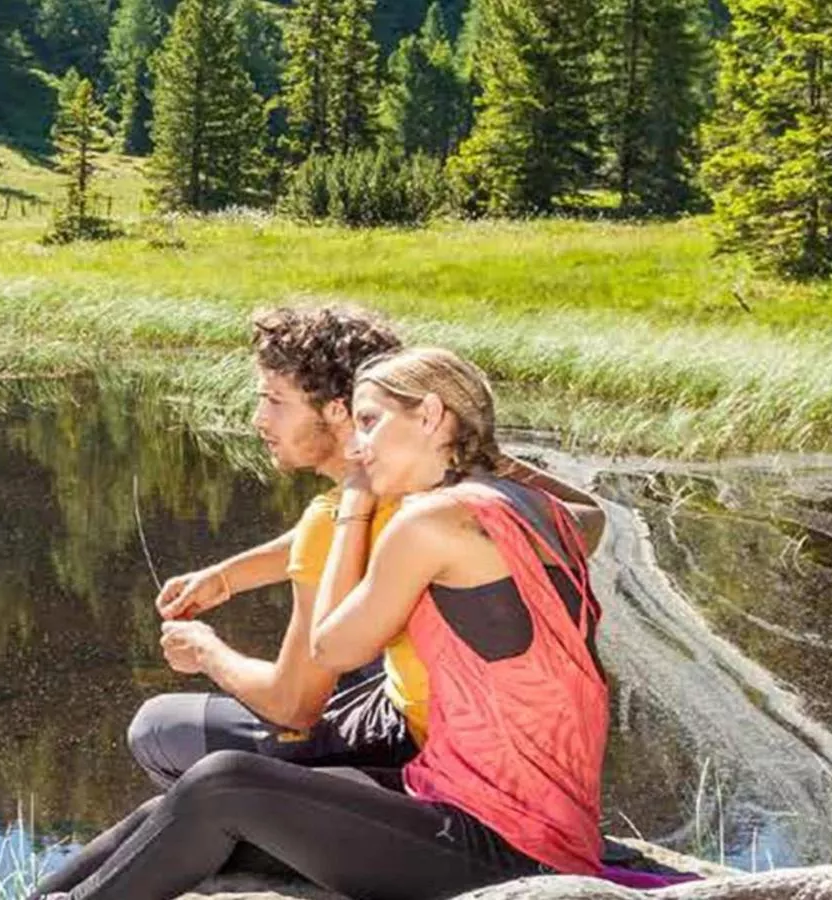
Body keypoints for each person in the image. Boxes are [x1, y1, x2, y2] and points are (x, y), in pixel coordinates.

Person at [32, 347, 609, 900]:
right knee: (175, 812)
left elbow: (331, 645)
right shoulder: (545, 514)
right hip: (482, 809)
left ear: (432, 416)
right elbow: (596, 513)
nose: (358, 445)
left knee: (222, 785)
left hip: (504, 842)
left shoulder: (430, 523)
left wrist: (354, 501)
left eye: (371, 422)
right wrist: (478, 449)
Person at [132, 307, 603, 790]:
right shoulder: (438, 488)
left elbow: (295, 704)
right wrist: (229, 576)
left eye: (274, 400)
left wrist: (205, 650)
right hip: (493, 742)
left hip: (432, 753)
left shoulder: (343, 516)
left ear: (339, 411)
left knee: (158, 728)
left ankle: (277, 841)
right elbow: (586, 515)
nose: (258, 419)